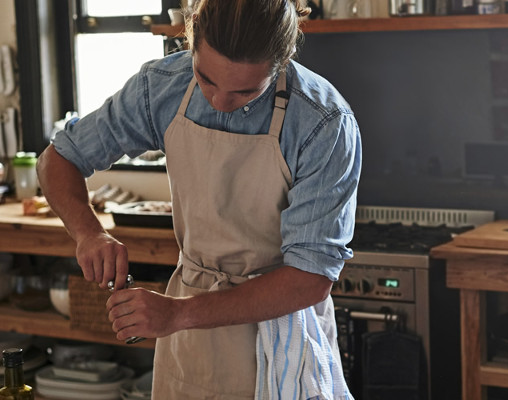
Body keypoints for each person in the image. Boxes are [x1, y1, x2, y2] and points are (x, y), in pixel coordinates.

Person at [36, 0, 359, 398]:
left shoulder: (323, 122)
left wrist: (179, 313)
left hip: (280, 331)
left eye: (245, 91)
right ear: (190, 35)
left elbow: (308, 280)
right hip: (187, 331)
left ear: (283, 59)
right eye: (206, 79)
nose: (219, 102)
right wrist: (88, 233)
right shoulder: (163, 86)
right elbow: (58, 159)